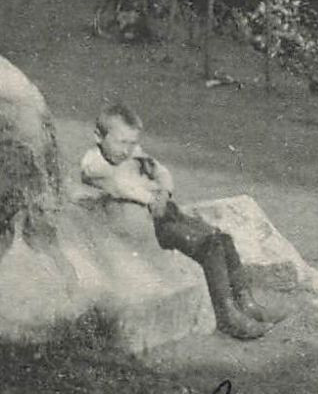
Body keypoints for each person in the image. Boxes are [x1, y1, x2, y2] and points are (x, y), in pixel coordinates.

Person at [80, 103, 283, 339]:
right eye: (121, 142)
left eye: (132, 143)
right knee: (208, 245)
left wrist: (164, 192)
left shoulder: (133, 154)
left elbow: (162, 172)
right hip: (147, 221)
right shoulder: (95, 163)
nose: (127, 150)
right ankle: (227, 315)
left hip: (163, 210)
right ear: (98, 136)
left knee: (222, 238)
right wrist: (150, 196)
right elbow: (119, 186)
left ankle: (247, 303)